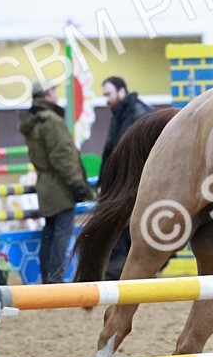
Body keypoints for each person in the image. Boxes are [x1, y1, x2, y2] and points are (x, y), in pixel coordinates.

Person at [19, 83, 93, 284]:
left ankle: (47, 277)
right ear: (47, 95)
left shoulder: (33, 121)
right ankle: (56, 279)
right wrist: (78, 185)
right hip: (59, 185)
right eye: (53, 91)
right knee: (62, 234)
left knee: (50, 233)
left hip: (45, 183)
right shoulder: (51, 121)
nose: (56, 94)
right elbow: (63, 157)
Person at [99, 77, 152, 279]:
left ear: (121, 92)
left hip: (132, 182)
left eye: (108, 94)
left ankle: (123, 270)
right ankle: (120, 270)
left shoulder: (138, 113)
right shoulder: (120, 113)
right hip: (122, 182)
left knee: (127, 226)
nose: (106, 99)